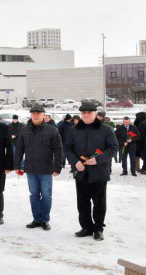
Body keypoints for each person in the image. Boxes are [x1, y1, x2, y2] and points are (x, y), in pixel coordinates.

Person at [64, 102, 118, 241]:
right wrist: (75, 162)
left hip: (99, 172)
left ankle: (98, 228)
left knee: (99, 202)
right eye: (84, 113)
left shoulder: (106, 129)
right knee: (82, 202)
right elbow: (68, 148)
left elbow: (113, 148)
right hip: (81, 172)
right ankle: (86, 227)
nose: (86, 115)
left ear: (95, 114)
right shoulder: (73, 129)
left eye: (89, 113)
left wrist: (98, 160)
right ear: (81, 114)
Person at [14, 105, 63, 231]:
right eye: (33, 113)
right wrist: (17, 165)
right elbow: (19, 148)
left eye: (38, 113)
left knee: (46, 195)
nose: (35, 115)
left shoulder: (52, 130)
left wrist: (57, 166)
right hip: (30, 168)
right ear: (31, 115)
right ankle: (36, 219)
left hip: (46, 169)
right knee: (34, 194)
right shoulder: (24, 130)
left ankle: (45, 220)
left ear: (43, 115)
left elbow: (58, 149)